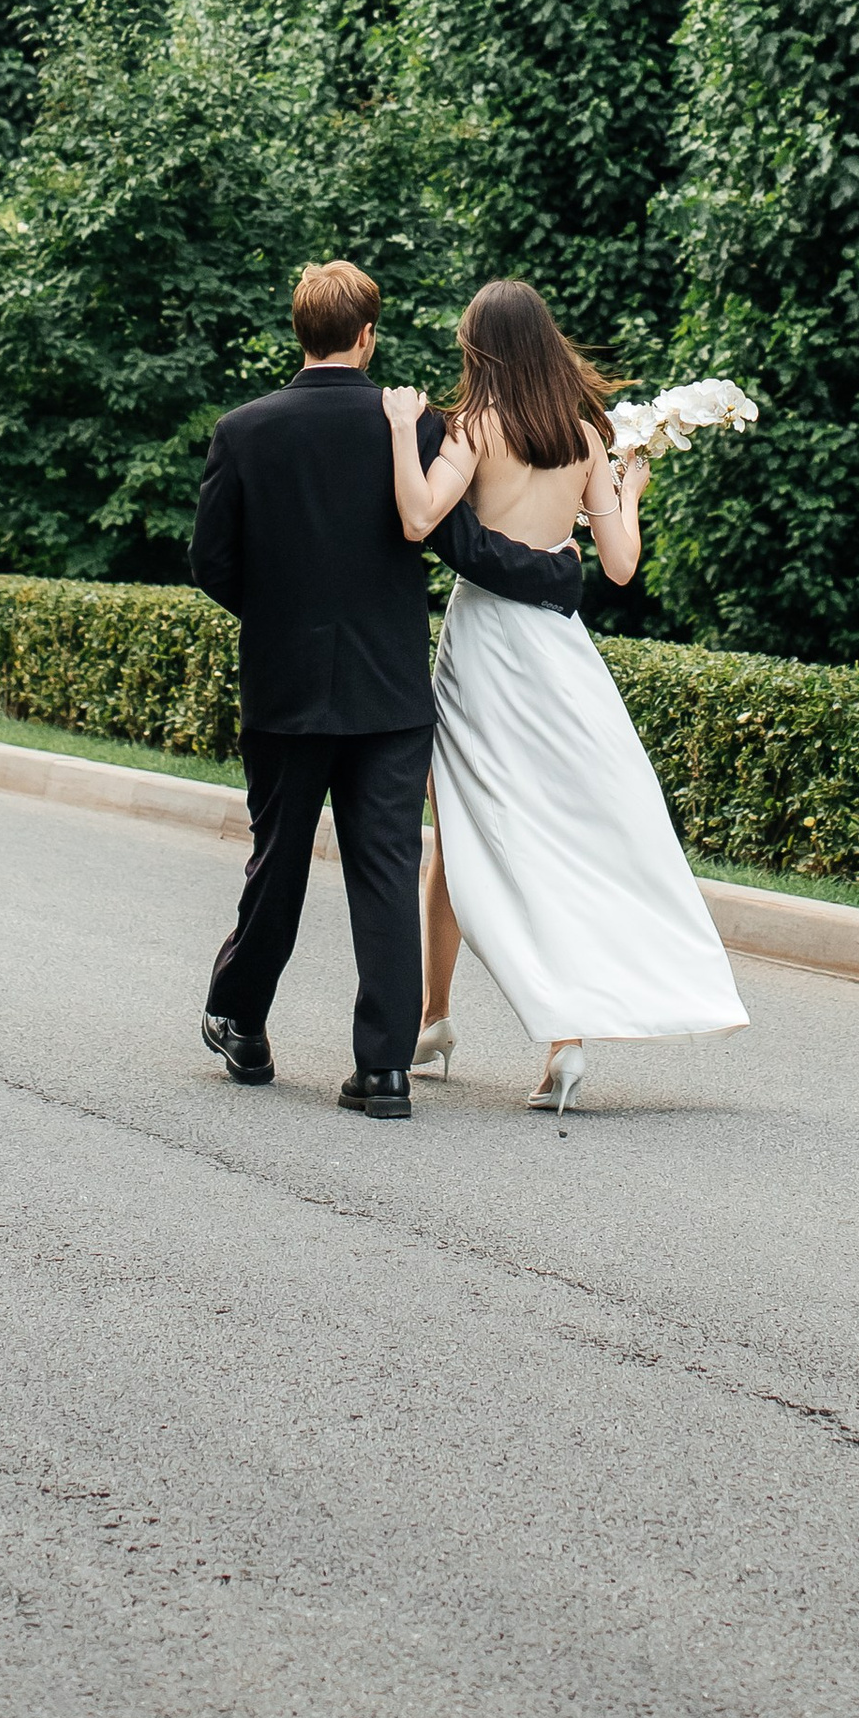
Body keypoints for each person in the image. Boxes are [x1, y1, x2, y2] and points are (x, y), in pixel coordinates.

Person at [191, 259, 587, 1118]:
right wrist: (560, 574)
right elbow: (466, 547)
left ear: (301, 332)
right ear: (368, 336)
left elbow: (211, 562)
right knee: (385, 870)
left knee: (278, 860)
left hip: (286, 688)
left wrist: (281, 617)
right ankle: (383, 1072)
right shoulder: (414, 427)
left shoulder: (243, 431)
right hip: (391, 692)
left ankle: (242, 1021)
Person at [383, 278, 748, 1118]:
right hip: (558, 651)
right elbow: (619, 565)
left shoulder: (474, 429)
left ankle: (446, 1018)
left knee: (461, 834)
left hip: (484, 646)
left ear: (480, 349)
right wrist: (629, 494)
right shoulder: (585, 438)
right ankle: (551, 1037)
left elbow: (418, 518)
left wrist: (404, 431)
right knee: (552, 836)